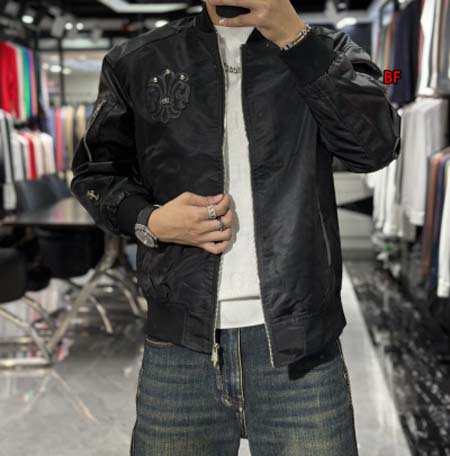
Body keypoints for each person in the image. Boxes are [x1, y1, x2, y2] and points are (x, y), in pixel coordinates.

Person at [70, 0, 401, 454]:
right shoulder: (140, 59)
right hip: (180, 347)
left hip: (301, 348)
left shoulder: (328, 51)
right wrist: (150, 220)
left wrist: (294, 38)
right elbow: (96, 173)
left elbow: (375, 147)